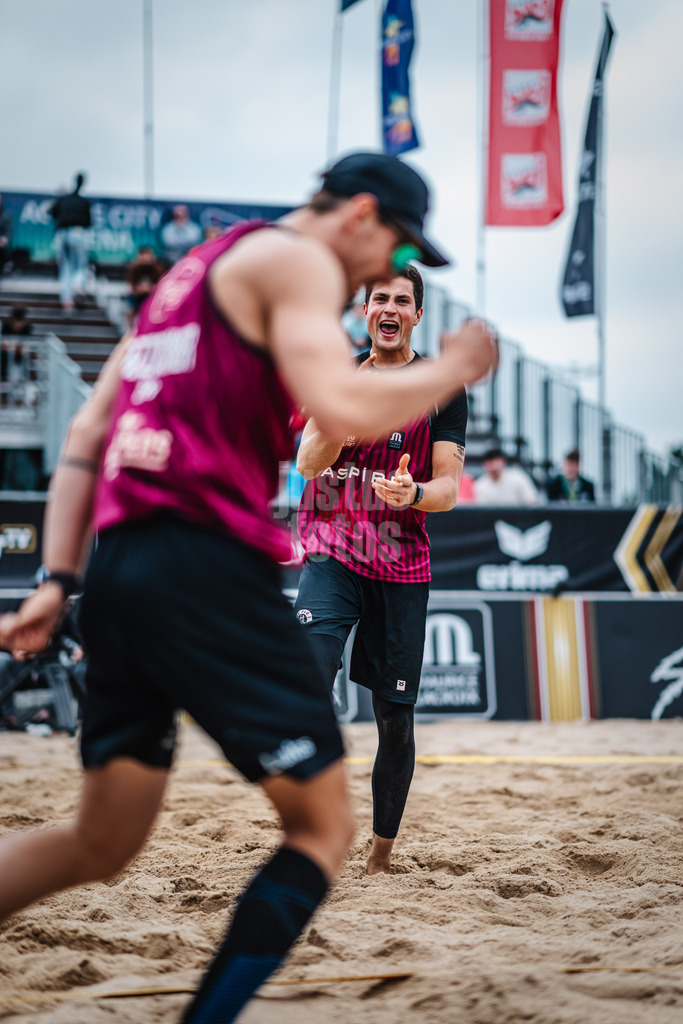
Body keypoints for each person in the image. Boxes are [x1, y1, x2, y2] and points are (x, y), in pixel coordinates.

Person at [0, 150, 497, 1024]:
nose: (374, 281)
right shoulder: (296, 259)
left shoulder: (183, 277)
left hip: (117, 568)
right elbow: (340, 410)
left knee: (99, 839)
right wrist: (454, 364)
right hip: (205, 564)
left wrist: (56, 577)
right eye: (388, 253)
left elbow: (86, 430)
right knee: (320, 830)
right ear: (361, 214)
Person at [295, 265, 469, 875]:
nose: (389, 308)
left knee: (394, 720)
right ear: (365, 312)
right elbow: (309, 463)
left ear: (417, 315)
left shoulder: (440, 388)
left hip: (401, 561)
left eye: (401, 300)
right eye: (379, 299)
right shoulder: (338, 374)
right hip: (332, 548)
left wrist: (414, 493)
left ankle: (379, 857)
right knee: (309, 681)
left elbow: (448, 489)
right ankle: (316, 829)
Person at [50, 173, 92, 311]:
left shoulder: (63, 199)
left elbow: (53, 213)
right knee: (80, 265)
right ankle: (78, 285)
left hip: (62, 234)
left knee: (66, 267)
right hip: (77, 233)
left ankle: (67, 299)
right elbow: (88, 222)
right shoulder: (83, 202)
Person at [473, 447, 539, 506]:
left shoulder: (518, 477)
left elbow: (532, 502)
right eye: (490, 462)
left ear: (503, 462)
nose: (494, 466)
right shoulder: (479, 485)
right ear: (484, 465)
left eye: (497, 461)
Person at [124, 245, 164, 325]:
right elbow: (132, 287)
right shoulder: (134, 269)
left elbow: (161, 286)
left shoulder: (157, 269)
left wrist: (150, 289)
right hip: (138, 298)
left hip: (153, 297)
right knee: (130, 304)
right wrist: (142, 289)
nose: (146, 259)